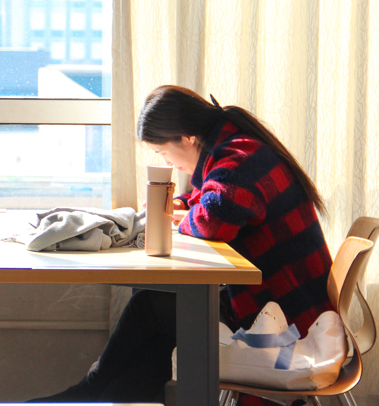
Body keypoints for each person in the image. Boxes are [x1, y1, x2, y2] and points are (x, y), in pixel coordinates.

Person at [33, 85, 334, 405]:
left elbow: (214, 219)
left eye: (163, 152)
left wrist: (183, 215)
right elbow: (210, 197)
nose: (170, 163)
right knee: (154, 325)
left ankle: (90, 391)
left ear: (187, 138)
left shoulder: (240, 158)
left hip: (286, 320)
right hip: (277, 301)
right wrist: (181, 205)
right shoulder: (232, 147)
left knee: (149, 307)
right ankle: (95, 394)